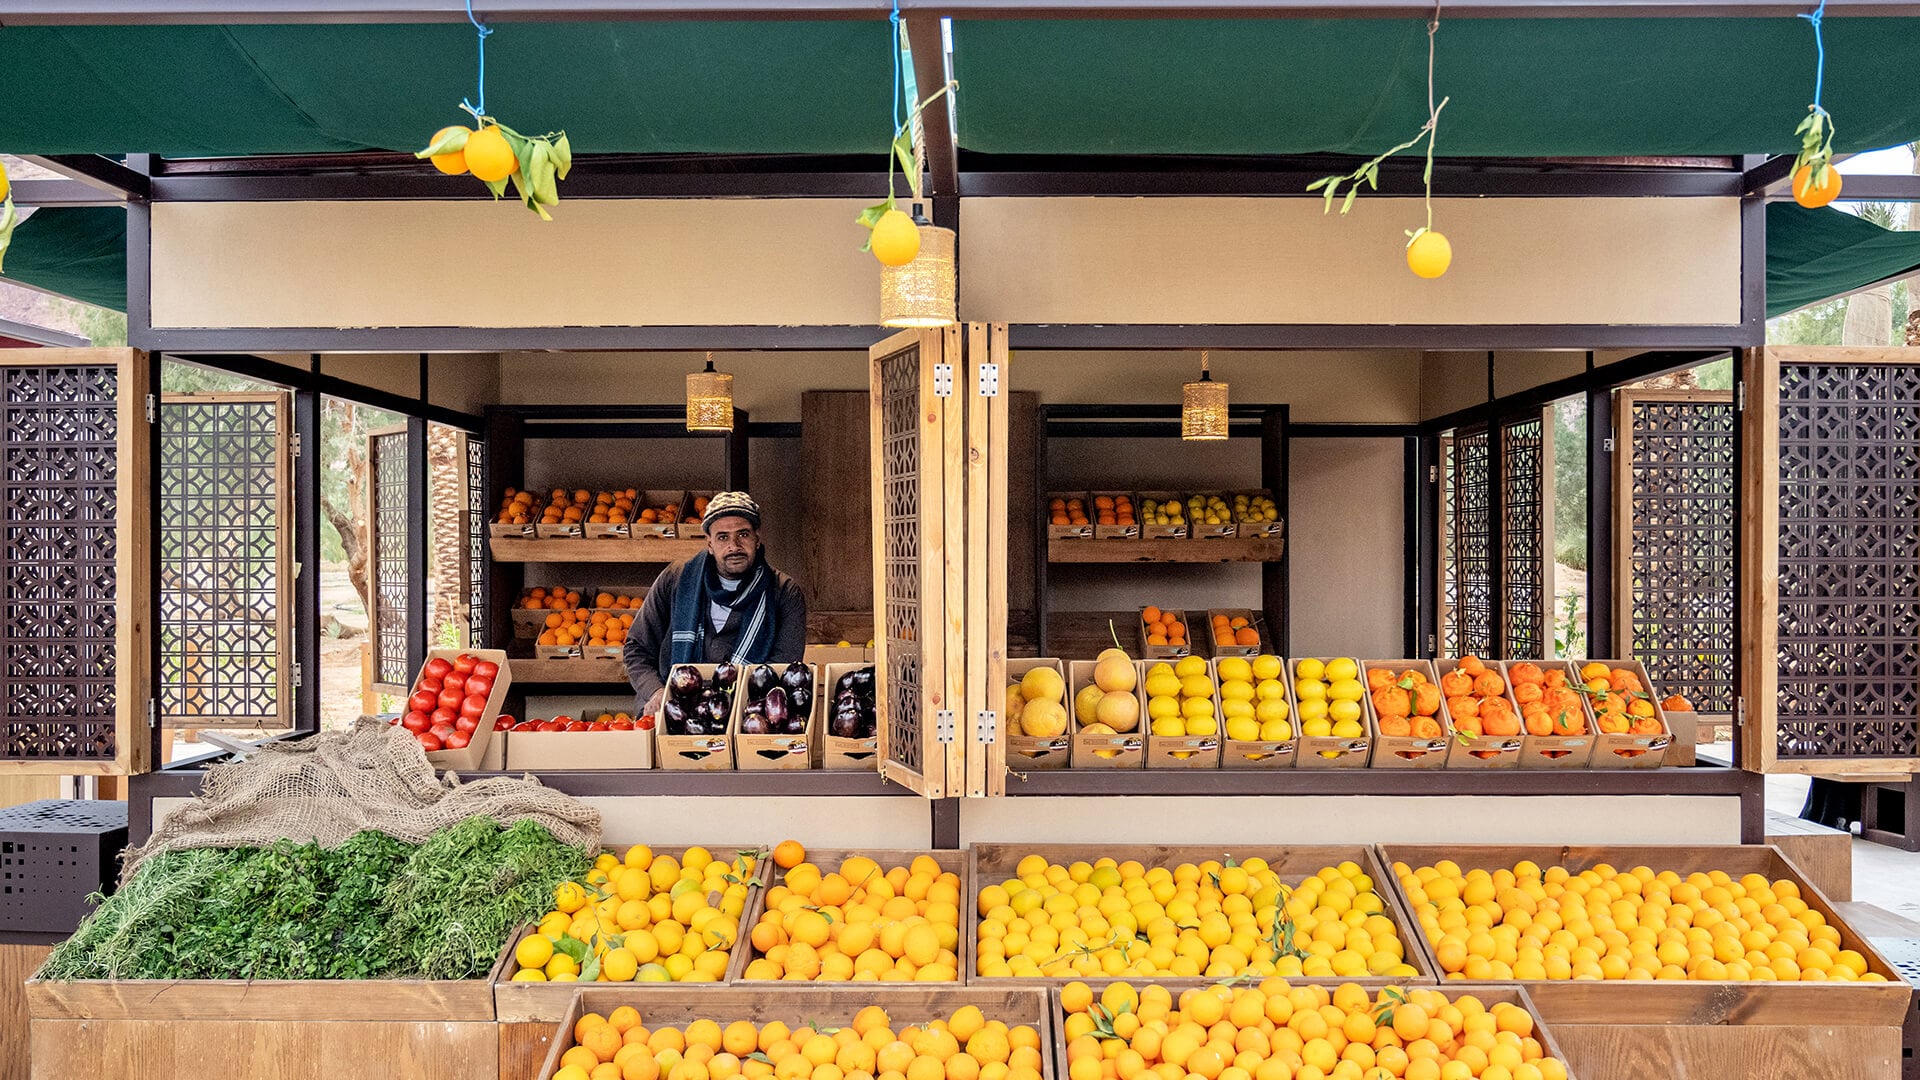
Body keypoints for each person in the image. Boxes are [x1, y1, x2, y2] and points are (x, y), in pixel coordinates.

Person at [623, 491, 807, 716]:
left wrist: (733, 706)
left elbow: (781, 668)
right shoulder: (676, 579)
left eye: (743, 534)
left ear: (757, 539)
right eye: (722, 537)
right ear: (709, 543)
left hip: (745, 714)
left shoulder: (784, 592)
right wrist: (655, 691)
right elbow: (636, 647)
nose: (734, 546)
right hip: (670, 710)